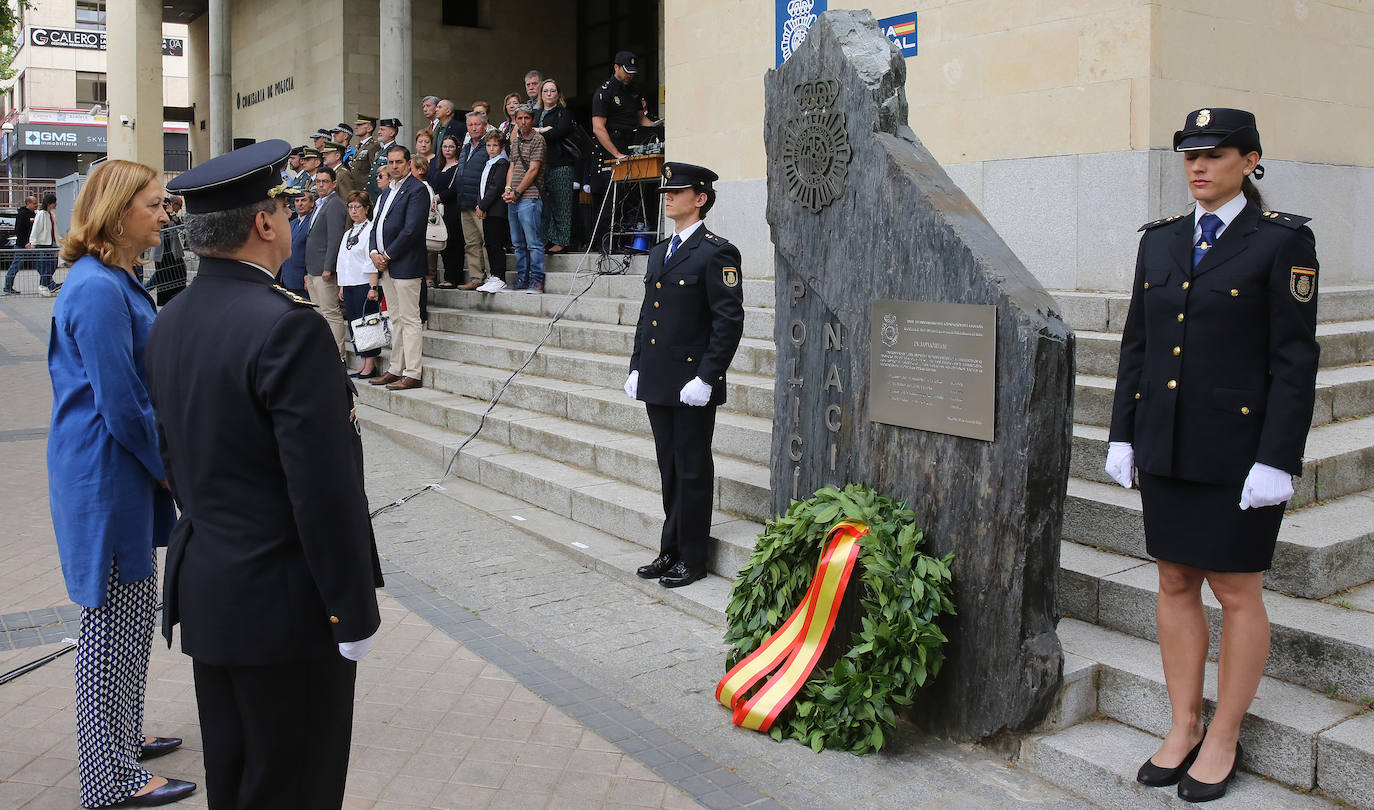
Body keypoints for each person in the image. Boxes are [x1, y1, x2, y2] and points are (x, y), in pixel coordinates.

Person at [149, 140, 382, 810]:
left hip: (212, 592)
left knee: (239, 781)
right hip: (287, 608)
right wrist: (352, 610)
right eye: (282, 206)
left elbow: (175, 461)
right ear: (264, 223)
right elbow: (323, 491)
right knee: (294, 788)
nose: (287, 217)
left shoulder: (172, 320)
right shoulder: (289, 328)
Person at [1106, 108, 1320, 803]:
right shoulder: (1161, 242)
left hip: (1239, 451)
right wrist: (1121, 433)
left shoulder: (1282, 241)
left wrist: (1278, 458)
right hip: (1166, 441)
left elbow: (1295, 361)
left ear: (1252, 161)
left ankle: (1224, 734)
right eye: (1190, 155)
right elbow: (1137, 344)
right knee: (1173, 579)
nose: (1199, 167)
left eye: (1217, 154)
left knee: (1236, 589)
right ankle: (1183, 724)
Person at [48, 159, 195, 808]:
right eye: (153, 205)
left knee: (131, 622)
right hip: (109, 479)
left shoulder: (113, 280)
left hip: (121, 475)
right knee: (111, 627)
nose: (164, 216)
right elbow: (122, 402)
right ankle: (108, 781)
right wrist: (170, 468)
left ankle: (121, 740)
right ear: (116, 214)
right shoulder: (99, 289)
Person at [624, 163, 743, 588]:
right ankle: (669, 548)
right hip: (658, 377)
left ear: (701, 198)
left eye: (677, 191)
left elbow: (728, 322)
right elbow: (646, 317)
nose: (668, 197)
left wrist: (708, 377)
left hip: (692, 382)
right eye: (666, 192)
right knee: (669, 467)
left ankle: (692, 557)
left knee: (692, 469)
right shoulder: (660, 251)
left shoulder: (716, 252)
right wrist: (636, 365)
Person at [369, 144, 430, 390]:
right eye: (391, 162)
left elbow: (412, 229)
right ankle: (396, 369)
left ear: (408, 164)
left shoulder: (417, 190)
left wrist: (387, 254)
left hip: (405, 263)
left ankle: (413, 372)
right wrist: (374, 252)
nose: (394, 167)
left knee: (410, 319)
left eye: (399, 162)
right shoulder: (386, 192)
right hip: (386, 265)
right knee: (395, 318)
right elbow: (375, 226)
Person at [306, 166, 349, 361]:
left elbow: (335, 238)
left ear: (334, 183)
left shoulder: (335, 204)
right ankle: (324, 353)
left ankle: (338, 356)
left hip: (324, 270)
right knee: (319, 315)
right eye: (318, 181)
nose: (320, 185)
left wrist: (328, 267)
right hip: (313, 269)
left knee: (331, 313)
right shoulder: (319, 204)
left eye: (324, 181)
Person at [337, 190, 381, 378]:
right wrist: (341, 285)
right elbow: (342, 259)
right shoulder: (349, 232)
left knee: (368, 323)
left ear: (366, 208)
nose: (354, 211)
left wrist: (373, 286)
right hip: (349, 283)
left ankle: (370, 362)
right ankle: (362, 359)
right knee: (354, 324)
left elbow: (369, 259)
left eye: (358, 207)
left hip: (364, 283)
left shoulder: (370, 230)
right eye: (351, 207)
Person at [503, 105, 546, 293]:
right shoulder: (515, 141)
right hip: (514, 197)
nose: (523, 122)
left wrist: (517, 192)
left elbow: (534, 169)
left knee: (533, 242)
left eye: (526, 118)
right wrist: (508, 190)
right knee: (518, 243)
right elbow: (511, 167)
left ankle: (536, 280)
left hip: (530, 196)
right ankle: (522, 277)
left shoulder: (538, 139)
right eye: (519, 118)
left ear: (533, 119)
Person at [591, 51, 661, 161]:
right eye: (626, 71)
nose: (630, 75)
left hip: (633, 142)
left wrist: (658, 127)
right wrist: (617, 154)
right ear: (616, 67)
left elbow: (641, 119)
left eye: (632, 72)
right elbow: (598, 128)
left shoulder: (635, 90)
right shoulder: (605, 92)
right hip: (613, 144)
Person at [535, 78, 575, 254]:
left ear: (558, 94)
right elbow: (526, 133)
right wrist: (543, 130)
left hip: (561, 163)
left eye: (552, 91)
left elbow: (559, 132)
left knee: (562, 204)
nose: (549, 94)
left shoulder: (563, 113)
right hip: (540, 164)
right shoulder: (535, 114)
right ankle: (545, 239)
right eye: (545, 91)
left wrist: (541, 132)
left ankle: (561, 241)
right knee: (542, 205)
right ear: (541, 94)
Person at [456, 115, 494, 289]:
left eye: (477, 124)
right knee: (471, 243)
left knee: (486, 241)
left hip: (480, 202)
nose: (473, 128)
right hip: (465, 201)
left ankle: (491, 277)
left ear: (485, 126)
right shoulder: (465, 147)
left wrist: (484, 202)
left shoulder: (489, 146)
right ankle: (476, 278)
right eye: (470, 125)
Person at [475, 130, 510, 294]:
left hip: (496, 210)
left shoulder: (502, 163)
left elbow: (495, 188)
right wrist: (479, 204)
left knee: (495, 243)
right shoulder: (489, 163)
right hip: (487, 209)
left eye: (495, 145)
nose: (491, 148)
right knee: (489, 242)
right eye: (488, 145)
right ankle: (494, 275)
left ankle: (500, 276)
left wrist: (483, 205)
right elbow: (481, 186)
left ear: (502, 147)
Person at [431, 134, 467, 289]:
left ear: (457, 148)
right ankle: (447, 276)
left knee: (454, 244)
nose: (447, 149)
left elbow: (456, 188)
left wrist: (438, 198)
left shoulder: (459, 166)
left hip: (453, 209)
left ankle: (454, 277)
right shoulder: (439, 167)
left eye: (451, 146)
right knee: (443, 243)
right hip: (439, 210)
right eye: (445, 146)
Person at [411, 154, 441, 292]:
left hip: (424, 228)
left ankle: (430, 276)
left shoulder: (423, 188)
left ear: (420, 170)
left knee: (428, 254)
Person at [280, 188, 313, 297]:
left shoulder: (313, 221)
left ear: (312, 203)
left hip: (303, 279)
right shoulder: (292, 223)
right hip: (287, 277)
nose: (300, 204)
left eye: (303, 200)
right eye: (297, 201)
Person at [2, 195, 38, 294]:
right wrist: (25, 242)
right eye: (34, 203)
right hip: (22, 245)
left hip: (31, 244)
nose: (36, 205)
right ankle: (7, 287)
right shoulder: (22, 214)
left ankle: (48, 283)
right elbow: (19, 231)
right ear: (28, 203)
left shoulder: (34, 214)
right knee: (16, 265)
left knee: (39, 264)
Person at [31, 193, 61, 296]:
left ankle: (47, 284)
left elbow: (55, 230)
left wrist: (60, 241)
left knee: (53, 264)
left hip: (51, 244)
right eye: (54, 202)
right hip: (43, 244)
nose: (56, 204)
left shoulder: (52, 215)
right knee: (46, 266)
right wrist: (33, 242)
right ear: (49, 203)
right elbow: (36, 229)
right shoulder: (41, 214)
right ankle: (43, 285)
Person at [367, 118, 401, 199]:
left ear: (392, 133)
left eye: (382, 130)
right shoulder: (382, 150)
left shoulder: (394, 151)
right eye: (379, 129)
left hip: (384, 193)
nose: (379, 132)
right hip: (375, 194)